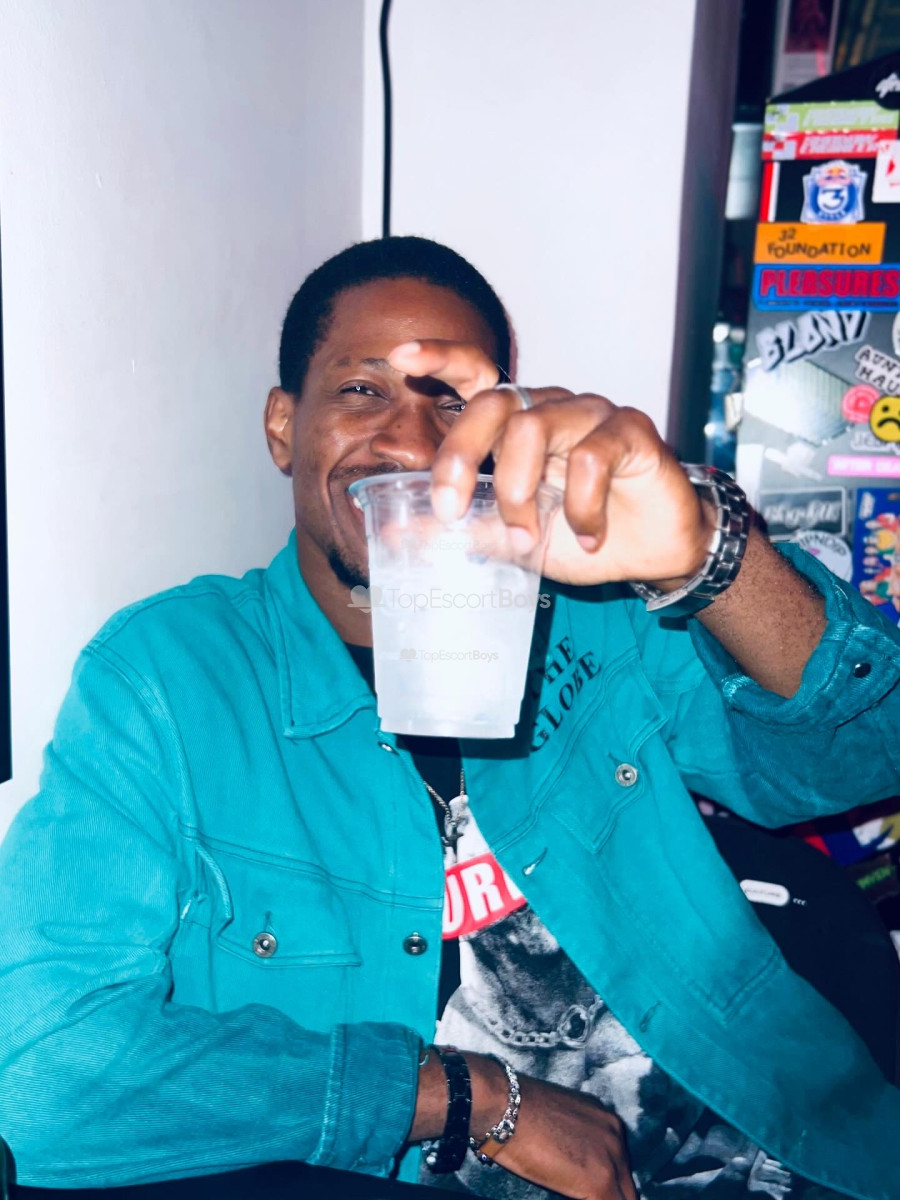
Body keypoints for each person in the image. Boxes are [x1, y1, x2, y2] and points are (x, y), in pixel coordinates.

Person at [0, 236, 898, 1200]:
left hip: (783, 1147)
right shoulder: (171, 680)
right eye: (363, 390)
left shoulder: (596, 613)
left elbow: (866, 756)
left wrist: (705, 557)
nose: (416, 443)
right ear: (282, 427)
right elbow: (37, 1075)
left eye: (455, 403)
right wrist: (464, 1096)